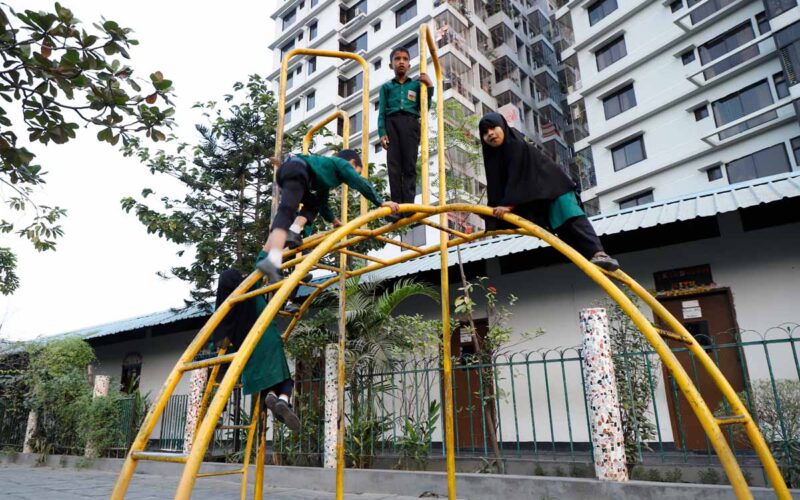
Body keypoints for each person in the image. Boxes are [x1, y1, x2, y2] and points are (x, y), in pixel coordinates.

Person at [478, 112, 619, 271]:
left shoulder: (515, 145)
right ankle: (592, 262)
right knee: (562, 230)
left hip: (556, 188)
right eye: (484, 132)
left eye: (493, 128)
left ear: (503, 126)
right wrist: (491, 211)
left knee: (571, 219)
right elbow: (497, 187)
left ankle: (600, 254)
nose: (490, 134)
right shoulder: (493, 158)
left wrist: (509, 204)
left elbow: (517, 176)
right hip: (540, 196)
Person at [256, 149, 399, 283]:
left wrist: (334, 221)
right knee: (286, 211)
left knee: (314, 204)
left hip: (289, 172)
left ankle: (294, 231)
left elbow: (323, 205)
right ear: (353, 163)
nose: (352, 176)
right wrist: (380, 201)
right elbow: (359, 182)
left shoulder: (324, 176)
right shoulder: (342, 164)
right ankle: (273, 261)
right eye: (357, 171)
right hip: (296, 169)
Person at [213, 265, 299, 431]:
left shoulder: (227, 308)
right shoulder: (252, 292)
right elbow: (265, 262)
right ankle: (283, 399)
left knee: (269, 381)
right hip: (267, 339)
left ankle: (275, 397)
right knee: (285, 377)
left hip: (246, 349)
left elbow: (218, 339)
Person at [378, 47, 433, 216]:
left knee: (409, 165)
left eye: (404, 59)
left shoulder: (416, 85)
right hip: (392, 123)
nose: (401, 61)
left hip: (411, 124)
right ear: (391, 64)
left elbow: (425, 107)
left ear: (409, 64)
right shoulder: (386, 87)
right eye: (397, 59)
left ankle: (408, 206)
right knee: (394, 166)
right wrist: (382, 133)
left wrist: (429, 86)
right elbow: (381, 112)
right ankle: (395, 207)